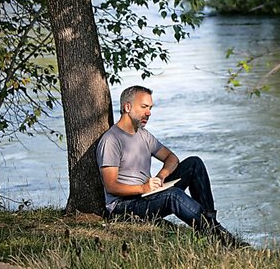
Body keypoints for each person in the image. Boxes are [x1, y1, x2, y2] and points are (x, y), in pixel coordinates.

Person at [96, 85, 244, 247]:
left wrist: (161, 177)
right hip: (124, 207)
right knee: (172, 195)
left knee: (194, 163)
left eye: (150, 108)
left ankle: (210, 223)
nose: (149, 113)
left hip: (146, 196)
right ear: (127, 107)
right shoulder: (111, 140)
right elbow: (111, 186)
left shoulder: (143, 135)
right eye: (144, 107)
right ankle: (220, 237)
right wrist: (142, 188)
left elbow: (171, 158)